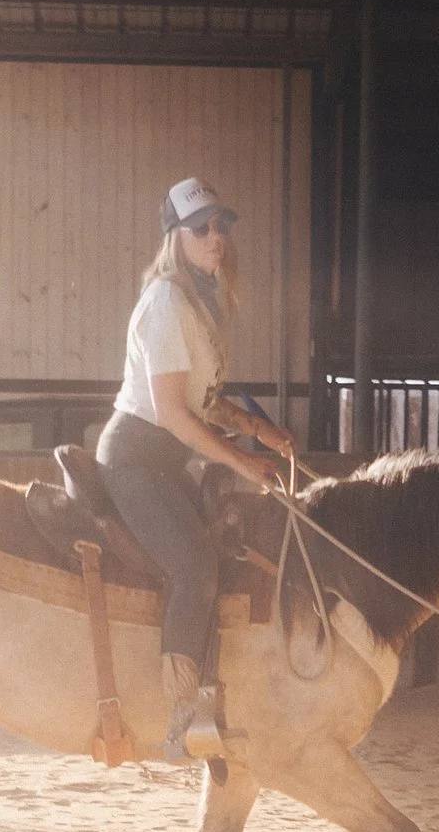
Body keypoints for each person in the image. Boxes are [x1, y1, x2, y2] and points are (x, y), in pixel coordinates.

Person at [97, 176, 299, 761]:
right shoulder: (164, 303)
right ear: (175, 238)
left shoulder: (197, 303)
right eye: (202, 228)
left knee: (219, 551)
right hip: (136, 458)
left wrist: (260, 430)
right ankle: (180, 718)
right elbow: (174, 415)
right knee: (195, 565)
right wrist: (242, 461)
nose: (217, 238)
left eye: (222, 227)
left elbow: (204, 399)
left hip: (163, 460)